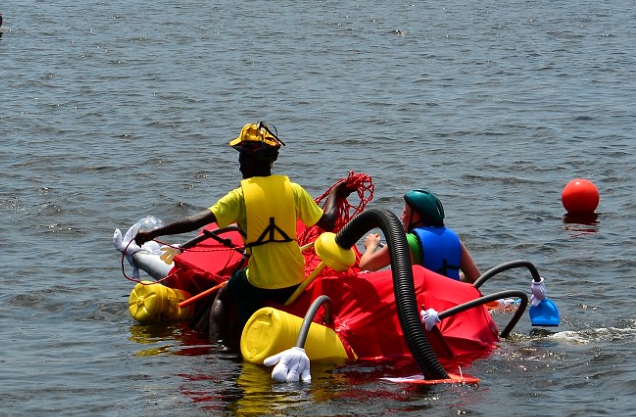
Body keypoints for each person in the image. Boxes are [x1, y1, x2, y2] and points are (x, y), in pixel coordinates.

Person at [135, 122, 352, 347]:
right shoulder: (294, 190)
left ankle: (219, 348)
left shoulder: (239, 197)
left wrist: (154, 233)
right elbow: (328, 222)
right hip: (294, 279)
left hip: (259, 282)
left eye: (240, 159)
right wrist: (335, 193)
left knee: (225, 294)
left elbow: (195, 221)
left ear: (249, 160)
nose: (239, 166)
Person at [358, 188, 480, 282]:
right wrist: (447, 281)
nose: (401, 217)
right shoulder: (454, 239)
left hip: (421, 307)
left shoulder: (405, 241)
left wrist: (371, 246)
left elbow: (366, 266)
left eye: (404, 213)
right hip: (451, 303)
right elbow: (474, 277)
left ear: (415, 217)